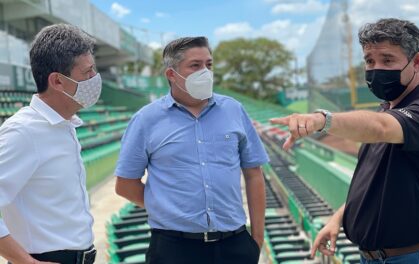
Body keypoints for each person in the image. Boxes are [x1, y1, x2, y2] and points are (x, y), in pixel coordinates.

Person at [271, 18, 419, 263]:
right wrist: (338, 218)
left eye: (388, 60)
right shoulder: (386, 112)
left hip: (414, 256)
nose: (376, 69)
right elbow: (374, 183)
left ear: (416, 62)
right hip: (375, 257)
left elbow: (380, 128)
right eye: (370, 61)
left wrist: (321, 120)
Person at [114, 36, 268, 264]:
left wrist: (256, 238)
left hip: (234, 245)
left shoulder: (234, 110)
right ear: (171, 75)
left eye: (209, 64)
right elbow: (125, 185)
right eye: (195, 65)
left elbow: (254, 174)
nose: (205, 72)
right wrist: (170, 207)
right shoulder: (146, 120)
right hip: (173, 249)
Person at [0, 24, 100, 263]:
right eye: (87, 72)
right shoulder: (23, 132)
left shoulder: (64, 124)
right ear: (57, 81)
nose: (94, 78)